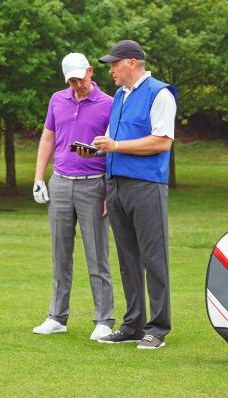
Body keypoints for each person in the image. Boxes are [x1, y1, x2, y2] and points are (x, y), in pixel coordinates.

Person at [92, 40, 177, 349]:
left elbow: (161, 141)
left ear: (131, 62)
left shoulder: (160, 93)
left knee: (153, 257)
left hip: (146, 187)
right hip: (116, 186)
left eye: (114, 63)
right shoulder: (120, 95)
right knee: (128, 259)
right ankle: (133, 325)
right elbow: (116, 140)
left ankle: (158, 328)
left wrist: (115, 146)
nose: (111, 69)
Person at [32, 52, 115, 340]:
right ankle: (57, 316)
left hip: (94, 185)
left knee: (97, 255)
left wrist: (109, 189)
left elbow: (114, 149)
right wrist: (39, 177)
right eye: (72, 81)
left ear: (91, 72)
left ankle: (104, 319)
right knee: (60, 254)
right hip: (61, 184)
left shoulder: (109, 104)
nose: (77, 85)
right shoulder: (57, 100)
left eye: (80, 79)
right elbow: (48, 138)